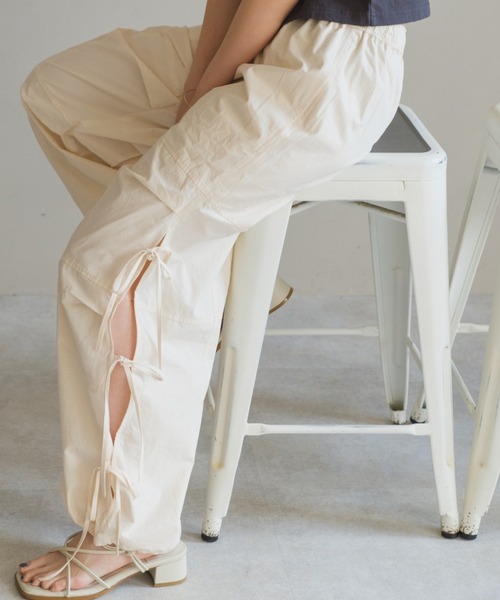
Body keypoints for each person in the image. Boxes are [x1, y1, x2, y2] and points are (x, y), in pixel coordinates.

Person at [16, 0, 429, 597]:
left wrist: (207, 88)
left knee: (105, 267)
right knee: (61, 92)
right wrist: (198, 84)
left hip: (328, 64)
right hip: (271, 32)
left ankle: (129, 533)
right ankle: (212, 278)